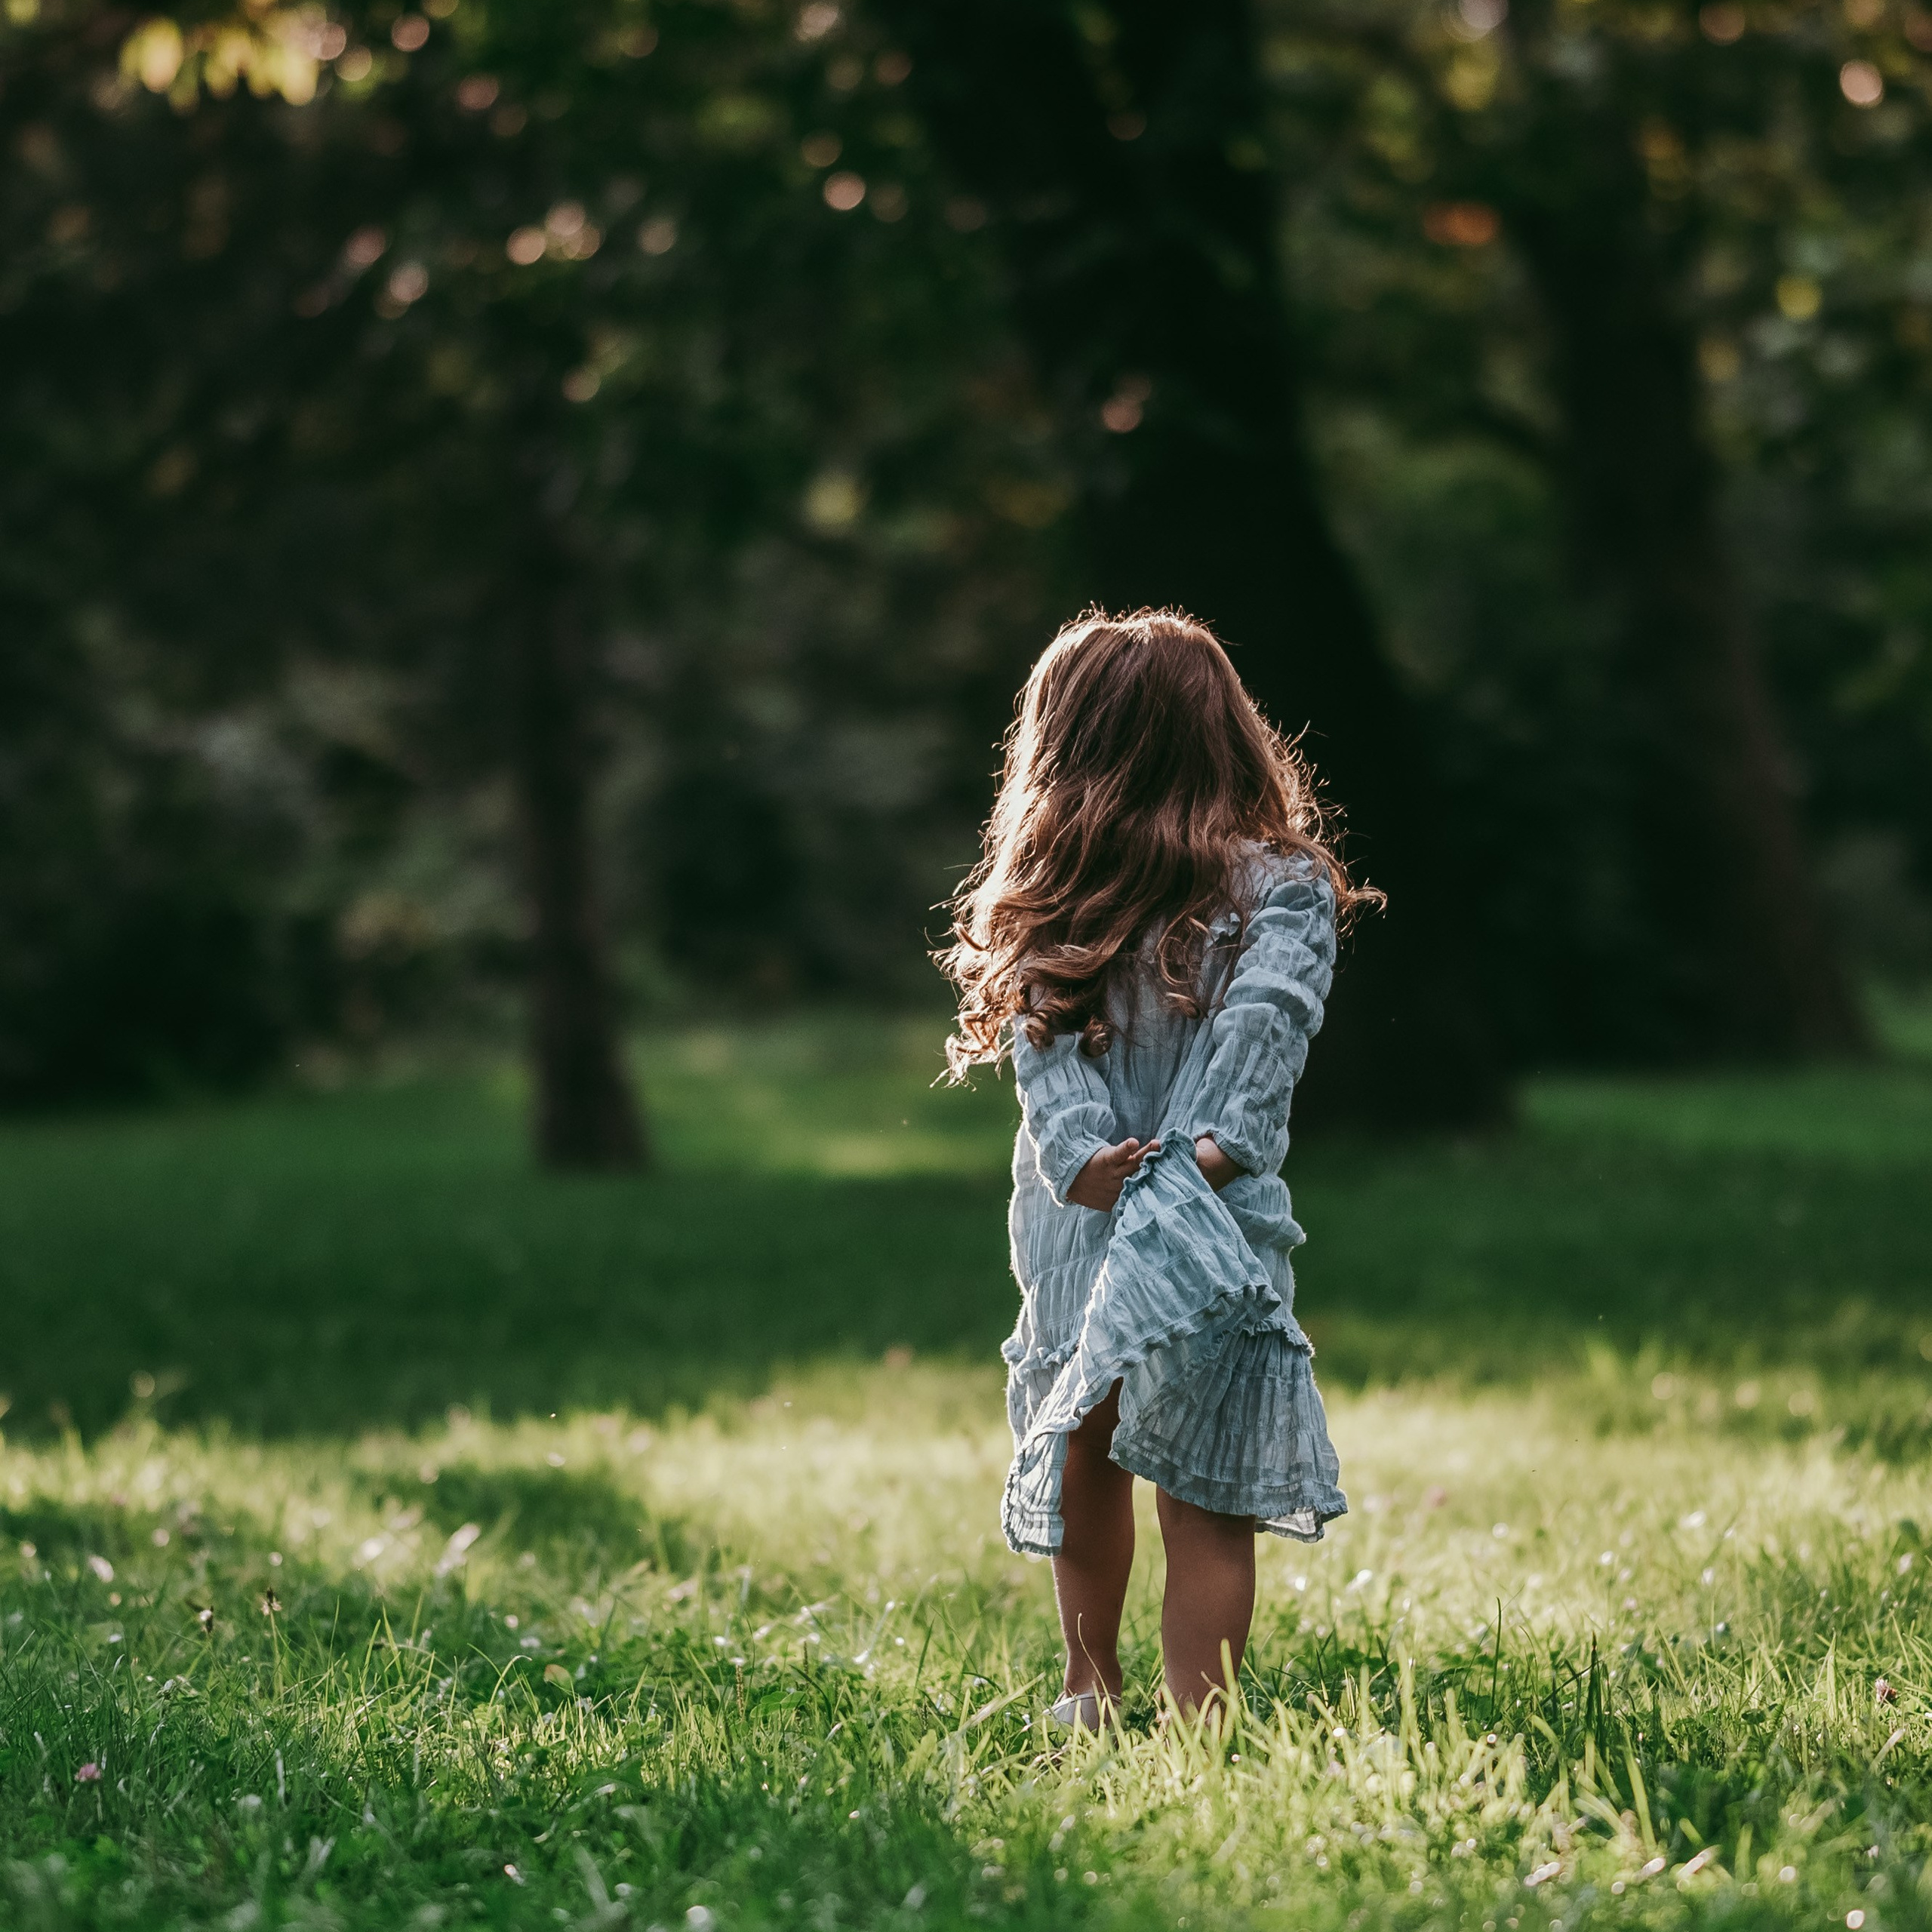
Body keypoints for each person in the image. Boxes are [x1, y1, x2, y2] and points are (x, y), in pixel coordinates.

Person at [937, 608, 1367, 1724]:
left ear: (1063, 746)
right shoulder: (1063, 896)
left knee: (1184, 1470)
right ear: (1226, 733)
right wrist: (1126, 1161)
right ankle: (1110, 1691)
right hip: (1133, 1214)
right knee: (1114, 1449)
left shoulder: (1277, 891)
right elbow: (1062, 1060)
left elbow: (1256, 1045)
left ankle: (1176, 1709)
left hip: (1188, 1215)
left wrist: (1138, 1166)